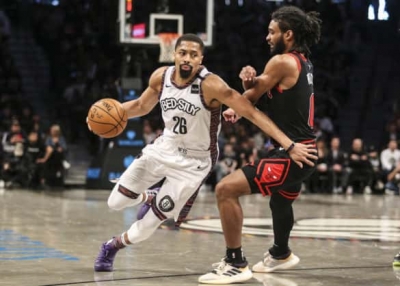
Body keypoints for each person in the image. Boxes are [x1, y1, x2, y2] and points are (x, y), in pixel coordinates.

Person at [91, 33, 317, 274]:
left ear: (201, 59)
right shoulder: (161, 76)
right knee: (115, 202)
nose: (187, 59)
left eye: (193, 54)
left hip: (193, 164)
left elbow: (251, 113)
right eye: (183, 53)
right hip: (162, 149)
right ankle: (150, 196)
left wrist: (289, 145)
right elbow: (139, 106)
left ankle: (111, 246)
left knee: (146, 227)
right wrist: (101, 115)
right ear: (174, 54)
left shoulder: (211, 84)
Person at [199, 6, 321, 284]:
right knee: (280, 202)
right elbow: (259, 90)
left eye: (272, 31)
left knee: (225, 189)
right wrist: (247, 88)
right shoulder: (303, 62)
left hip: (293, 151)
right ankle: (281, 254)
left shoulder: (281, 61)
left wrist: (244, 97)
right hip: (306, 149)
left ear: (287, 34)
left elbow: (256, 91)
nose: (267, 37)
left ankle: (235, 263)